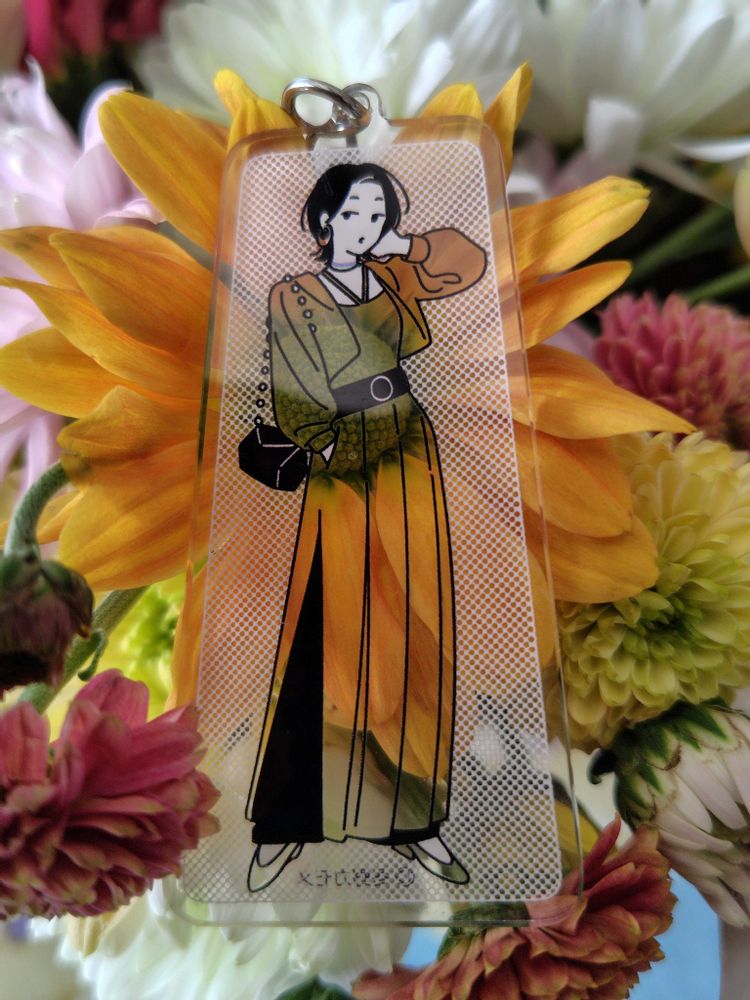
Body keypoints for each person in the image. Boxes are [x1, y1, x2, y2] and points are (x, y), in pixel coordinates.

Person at [245, 162, 487, 892]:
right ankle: (283, 825)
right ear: (323, 222)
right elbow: (292, 388)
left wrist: (405, 245)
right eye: (353, 213)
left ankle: (420, 829)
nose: (366, 225)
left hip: (409, 451)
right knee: (320, 624)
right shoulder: (293, 293)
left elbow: (468, 264)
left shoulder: (392, 278)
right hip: (338, 463)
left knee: (418, 617)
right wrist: (326, 447)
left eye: (379, 213)